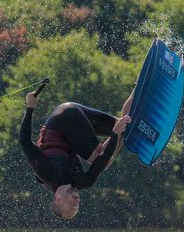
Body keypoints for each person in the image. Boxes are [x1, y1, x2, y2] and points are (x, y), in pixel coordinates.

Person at [18, 91, 133, 219]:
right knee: (126, 127)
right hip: (72, 112)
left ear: (58, 199)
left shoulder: (47, 174)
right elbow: (103, 159)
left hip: (62, 119)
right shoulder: (83, 181)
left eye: (72, 205)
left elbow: (25, 141)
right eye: (77, 205)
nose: (77, 201)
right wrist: (116, 133)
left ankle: (121, 129)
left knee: (101, 156)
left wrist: (30, 107)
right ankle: (138, 88)